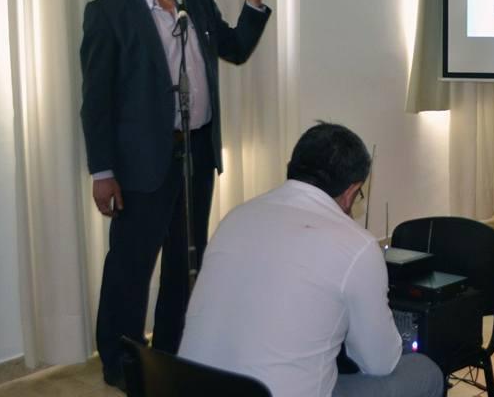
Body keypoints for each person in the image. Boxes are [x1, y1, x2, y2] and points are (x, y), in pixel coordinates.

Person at [80, 0, 271, 390]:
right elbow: (96, 102)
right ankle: (121, 364)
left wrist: (253, 5)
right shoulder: (108, 12)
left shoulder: (197, 1)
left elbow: (235, 49)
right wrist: (102, 171)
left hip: (196, 153)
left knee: (186, 263)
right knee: (130, 267)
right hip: (140, 163)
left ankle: (169, 356)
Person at [178, 122, 445, 397]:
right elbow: (380, 363)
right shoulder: (357, 245)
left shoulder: (235, 218)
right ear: (352, 191)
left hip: (193, 388)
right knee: (424, 372)